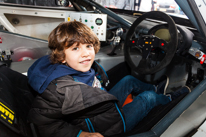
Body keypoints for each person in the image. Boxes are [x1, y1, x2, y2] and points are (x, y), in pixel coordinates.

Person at [27, 21, 190, 137]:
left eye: (88, 46)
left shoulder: (80, 68)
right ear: (61, 56)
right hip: (110, 126)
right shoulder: (60, 91)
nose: (86, 53)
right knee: (147, 99)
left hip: (103, 107)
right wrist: (79, 134)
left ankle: (156, 90)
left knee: (128, 80)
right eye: (76, 48)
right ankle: (166, 98)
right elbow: (42, 123)